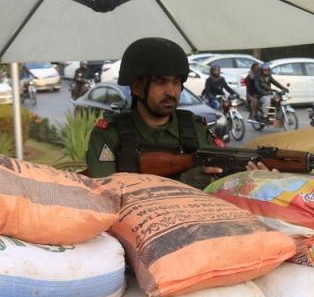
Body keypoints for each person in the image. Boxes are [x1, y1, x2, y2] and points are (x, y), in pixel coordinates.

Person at [84, 38, 219, 188]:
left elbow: (224, 181)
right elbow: (106, 193)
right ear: (136, 88)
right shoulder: (109, 134)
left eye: (176, 82)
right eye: (160, 82)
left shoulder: (197, 129)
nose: (171, 92)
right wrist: (182, 182)